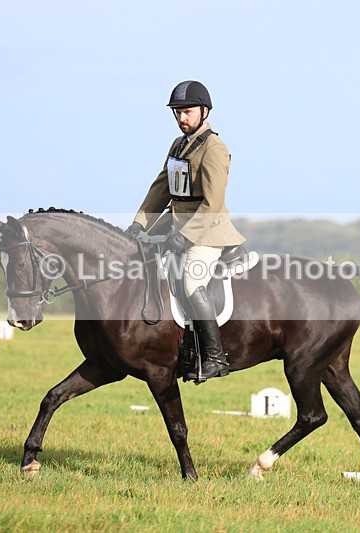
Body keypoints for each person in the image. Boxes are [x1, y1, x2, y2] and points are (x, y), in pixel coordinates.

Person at [124, 80, 246, 382]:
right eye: (177, 112)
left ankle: (216, 359)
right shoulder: (178, 145)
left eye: (187, 112)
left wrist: (186, 236)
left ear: (204, 111)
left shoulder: (215, 148)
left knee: (192, 282)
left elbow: (213, 202)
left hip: (208, 231)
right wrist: (140, 223)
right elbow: (161, 188)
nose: (181, 118)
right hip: (176, 225)